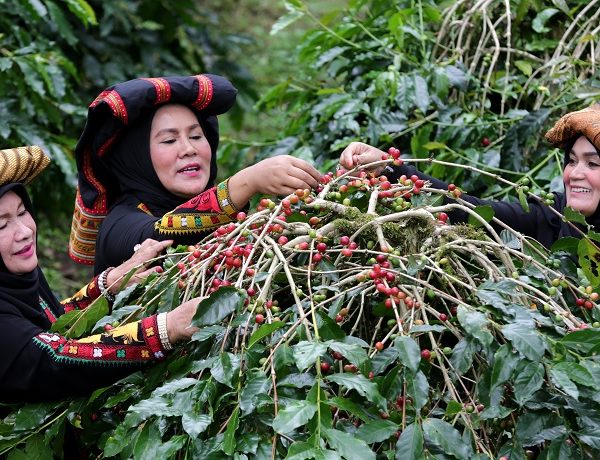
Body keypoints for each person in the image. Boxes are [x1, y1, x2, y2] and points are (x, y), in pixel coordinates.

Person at [0, 146, 201, 403]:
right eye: (2, 224)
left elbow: (53, 323)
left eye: (21, 212)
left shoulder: (16, 278)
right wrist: (166, 328)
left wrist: (110, 284)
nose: (24, 231)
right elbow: (54, 357)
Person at [69, 73, 322, 274]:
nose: (188, 149)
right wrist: (249, 181)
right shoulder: (120, 224)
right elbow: (163, 235)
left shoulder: (234, 216)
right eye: (169, 141)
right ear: (136, 159)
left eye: (196, 136)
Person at [338, 103, 600, 248]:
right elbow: (471, 211)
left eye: (593, 164)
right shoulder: (553, 215)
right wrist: (390, 169)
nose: (575, 174)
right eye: (572, 161)